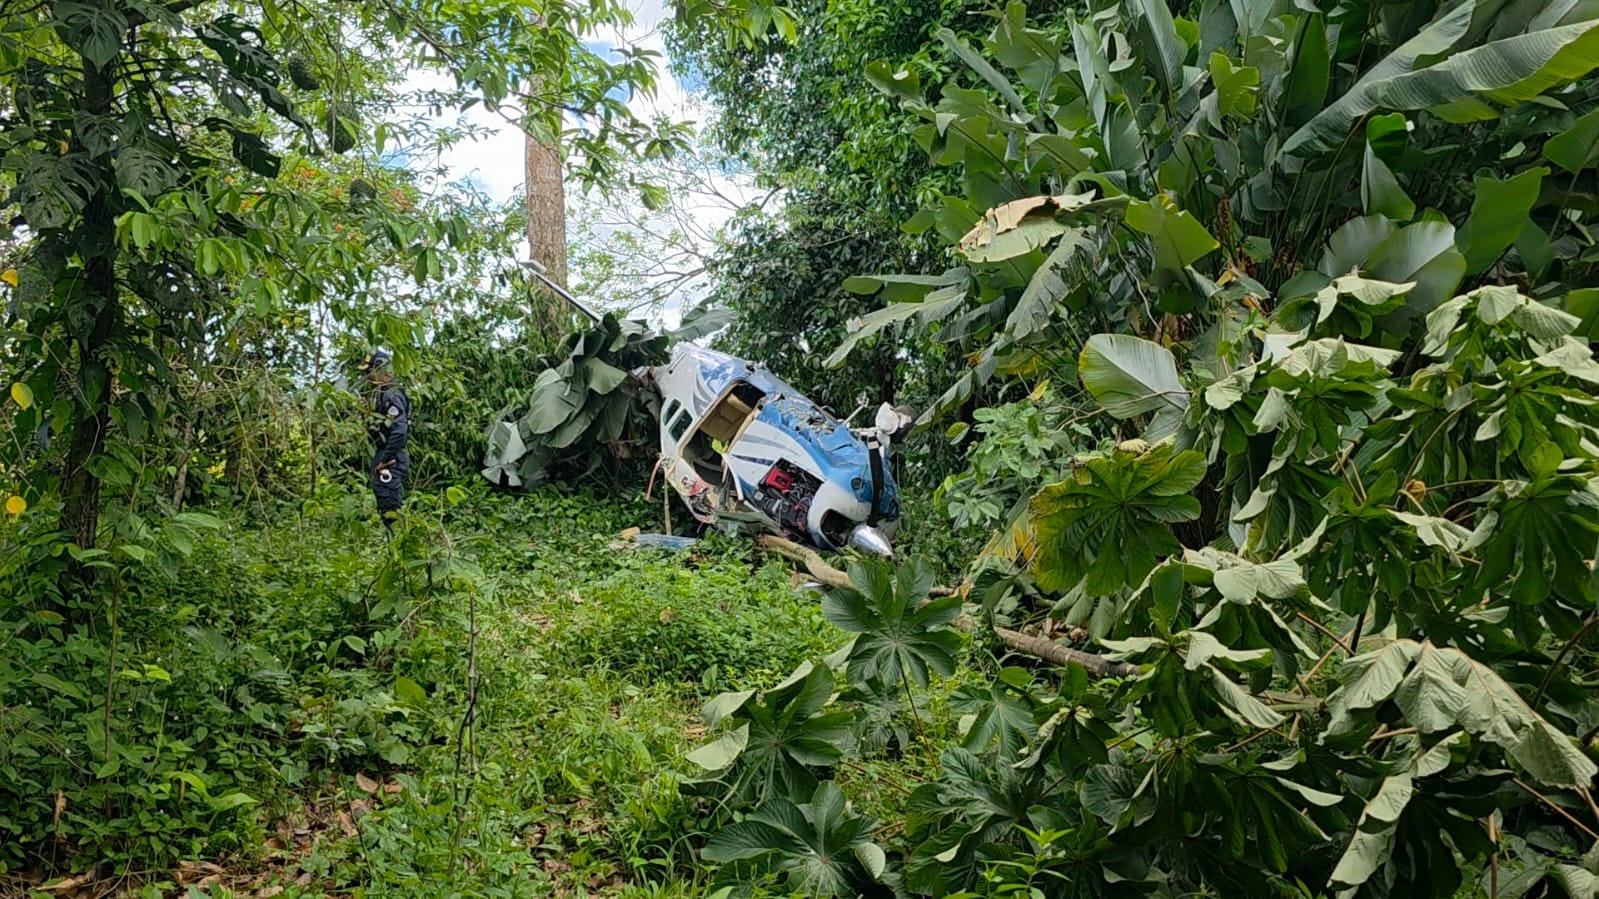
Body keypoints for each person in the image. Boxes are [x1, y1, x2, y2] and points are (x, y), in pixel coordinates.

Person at [356, 349, 410, 533]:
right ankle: (392, 542)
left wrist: (386, 458)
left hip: (391, 459)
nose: (368, 376)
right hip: (385, 454)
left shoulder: (392, 395)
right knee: (384, 504)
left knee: (390, 507)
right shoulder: (382, 393)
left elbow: (399, 431)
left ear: (381, 369)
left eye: (369, 371)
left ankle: (398, 543)